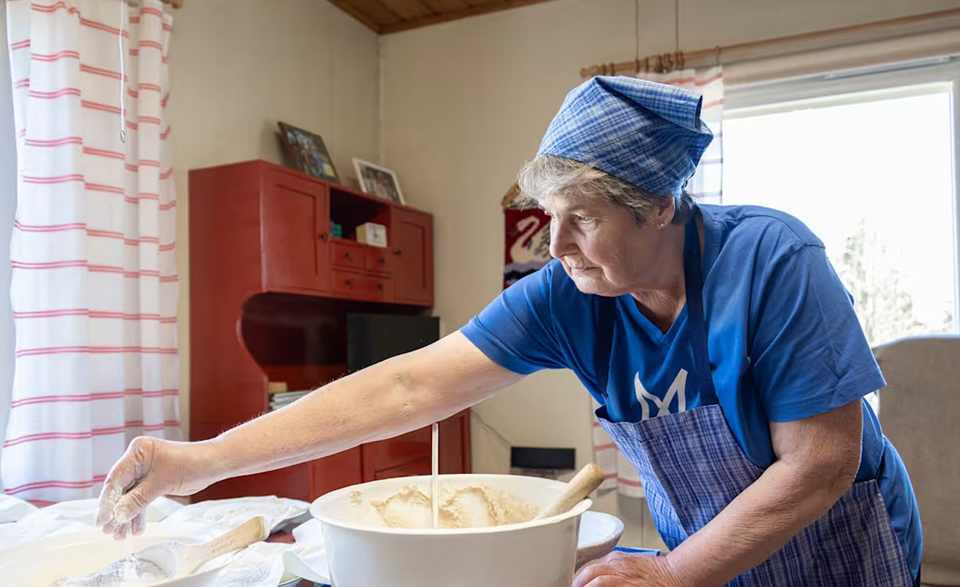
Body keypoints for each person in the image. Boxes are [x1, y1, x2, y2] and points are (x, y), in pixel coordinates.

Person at [97, 76, 921, 587]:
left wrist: (672, 572)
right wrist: (199, 461)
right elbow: (406, 384)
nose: (555, 248)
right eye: (548, 219)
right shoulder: (569, 292)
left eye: (582, 220)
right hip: (705, 558)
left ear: (661, 205)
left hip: (834, 548)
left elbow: (821, 462)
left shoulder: (773, 259)